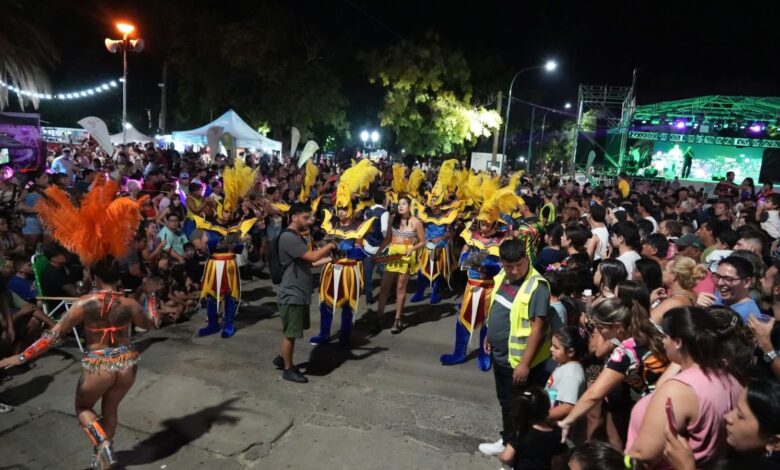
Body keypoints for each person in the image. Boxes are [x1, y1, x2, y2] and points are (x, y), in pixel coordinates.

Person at [0, 177, 158, 470]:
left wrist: (19, 357)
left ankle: (104, 446)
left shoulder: (84, 304)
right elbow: (151, 325)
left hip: (99, 365)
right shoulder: (130, 303)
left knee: (83, 408)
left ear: (93, 273)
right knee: (110, 409)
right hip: (128, 364)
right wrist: (150, 298)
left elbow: (53, 335)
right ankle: (102, 461)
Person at [626, 307, 745, 467]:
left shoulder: (678, 390)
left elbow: (641, 455)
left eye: (666, 336)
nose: (663, 341)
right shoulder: (732, 380)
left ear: (678, 342)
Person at [558, 297, 668, 448]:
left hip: (653, 410)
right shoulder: (653, 328)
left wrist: (567, 420)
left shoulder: (626, 352)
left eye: (600, 327)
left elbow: (594, 394)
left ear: (617, 327)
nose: (597, 331)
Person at [479, 238, 552, 456]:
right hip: (501, 357)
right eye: (508, 265)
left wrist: (525, 364)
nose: (513, 270)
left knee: (520, 408)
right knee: (505, 403)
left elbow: (537, 329)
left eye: (518, 265)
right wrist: (490, 334)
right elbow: (498, 305)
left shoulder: (536, 286)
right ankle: (506, 440)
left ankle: (516, 453)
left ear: (526, 259)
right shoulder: (503, 276)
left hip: (518, 363)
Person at [310, 160, 377, 347]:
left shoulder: (360, 225)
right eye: (338, 208)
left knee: (348, 305)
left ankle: (344, 337)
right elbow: (324, 244)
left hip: (349, 271)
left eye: (344, 208)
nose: (341, 211)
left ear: (352, 208)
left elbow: (364, 250)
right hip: (331, 269)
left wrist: (349, 251)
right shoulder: (331, 223)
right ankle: (324, 334)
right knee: (325, 302)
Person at [273, 202, 337, 383]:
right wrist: (330, 246)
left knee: (293, 329)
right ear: (293, 217)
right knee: (291, 333)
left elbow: (311, 263)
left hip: (299, 291)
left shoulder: (297, 236)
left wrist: (330, 259)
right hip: (291, 292)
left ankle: (281, 357)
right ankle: (288, 369)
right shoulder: (289, 237)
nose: (309, 221)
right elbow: (311, 256)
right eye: (305, 217)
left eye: (310, 218)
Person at [375, 196, 425, 334]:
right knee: (384, 287)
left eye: (404, 204)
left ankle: (397, 320)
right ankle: (379, 317)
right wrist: (377, 254)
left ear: (409, 206)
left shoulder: (416, 222)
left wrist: (412, 248)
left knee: (400, 288)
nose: (401, 206)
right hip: (392, 255)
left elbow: (422, 241)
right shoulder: (393, 219)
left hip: (406, 257)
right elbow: (387, 240)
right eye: (399, 204)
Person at [497, 387, 566, 470]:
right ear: (547, 409)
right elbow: (558, 462)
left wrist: (500, 455)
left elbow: (506, 457)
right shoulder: (557, 434)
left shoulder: (522, 432)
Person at [697, 255, 761, 322]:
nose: (720, 283)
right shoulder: (718, 296)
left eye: (728, 279)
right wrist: (699, 307)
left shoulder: (749, 316)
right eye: (718, 276)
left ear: (746, 282)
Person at [650, 256, 704, 324]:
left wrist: (650, 301)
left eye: (665, 270)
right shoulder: (692, 294)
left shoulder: (673, 302)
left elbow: (646, 325)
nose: (662, 272)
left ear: (674, 275)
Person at [361, 189, 389, 305]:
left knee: (367, 275)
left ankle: (369, 298)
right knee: (384, 274)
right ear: (383, 200)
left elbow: (364, 227)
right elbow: (384, 230)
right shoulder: (384, 212)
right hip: (380, 248)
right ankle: (385, 296)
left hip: (367, 246)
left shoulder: (367, 211)